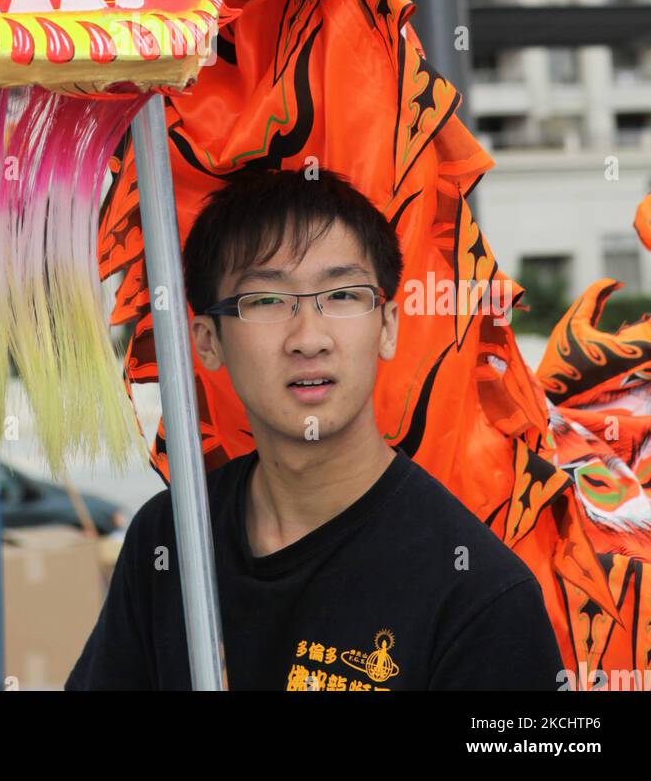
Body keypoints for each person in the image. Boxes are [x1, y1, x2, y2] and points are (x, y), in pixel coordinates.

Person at [65, 166, 564, 691]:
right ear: (207, 341)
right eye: (267, 301)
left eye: (342, 296)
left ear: (387, 326)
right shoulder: (170, 540)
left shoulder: (478, 592)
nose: (309, 338)